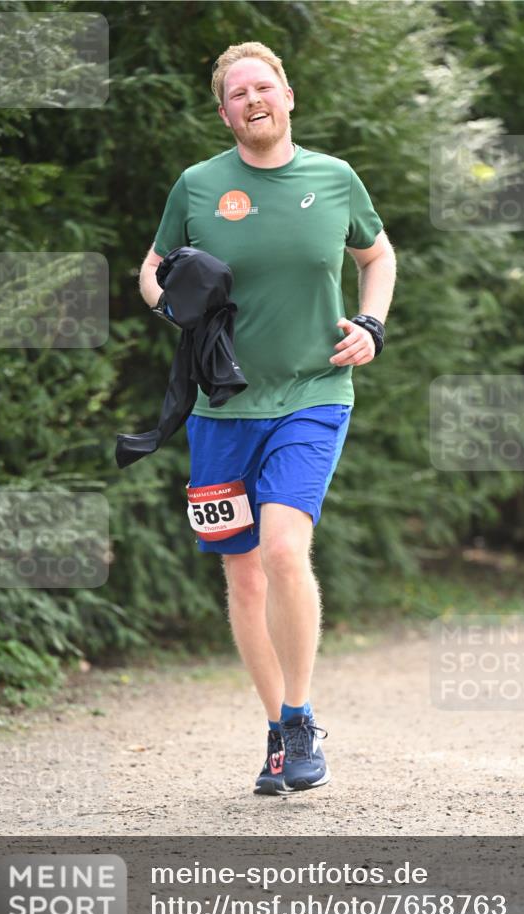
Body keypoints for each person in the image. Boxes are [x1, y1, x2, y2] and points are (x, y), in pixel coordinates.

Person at [139, 41, 397, 796]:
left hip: (315, 393)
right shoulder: (197, 186)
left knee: (284, 548)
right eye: (237, 94)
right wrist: (173, 308)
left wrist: (371, 324)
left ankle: (300, 716)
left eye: (263, 87)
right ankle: (278, 731)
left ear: (287, 95)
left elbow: (377, 256)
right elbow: (152, 269)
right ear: (224, 114)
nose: (252, 100)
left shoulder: (334, 178)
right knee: (243, 573)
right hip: (220, 408)